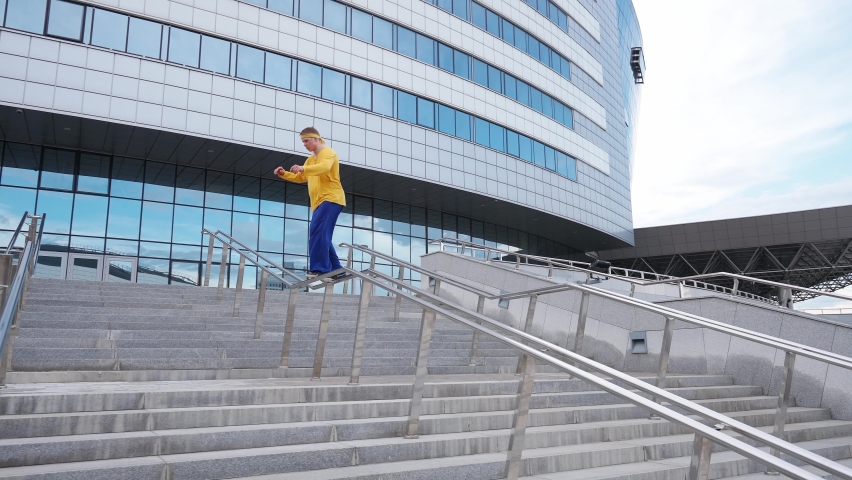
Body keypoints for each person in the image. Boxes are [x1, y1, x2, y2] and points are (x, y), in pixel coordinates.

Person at [274, 127, 347, 280]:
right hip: (319, 202)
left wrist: (303, 168)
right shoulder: (310, 160)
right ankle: (337, 270)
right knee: (321, 234)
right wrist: (284, 174)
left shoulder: (328, 152)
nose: (304, 144)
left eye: (306, 141)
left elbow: (324, 167)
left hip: (331, 198)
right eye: (303, 142)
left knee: (317, 232)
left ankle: (320, 269)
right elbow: (301, 177)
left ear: (316, 139)